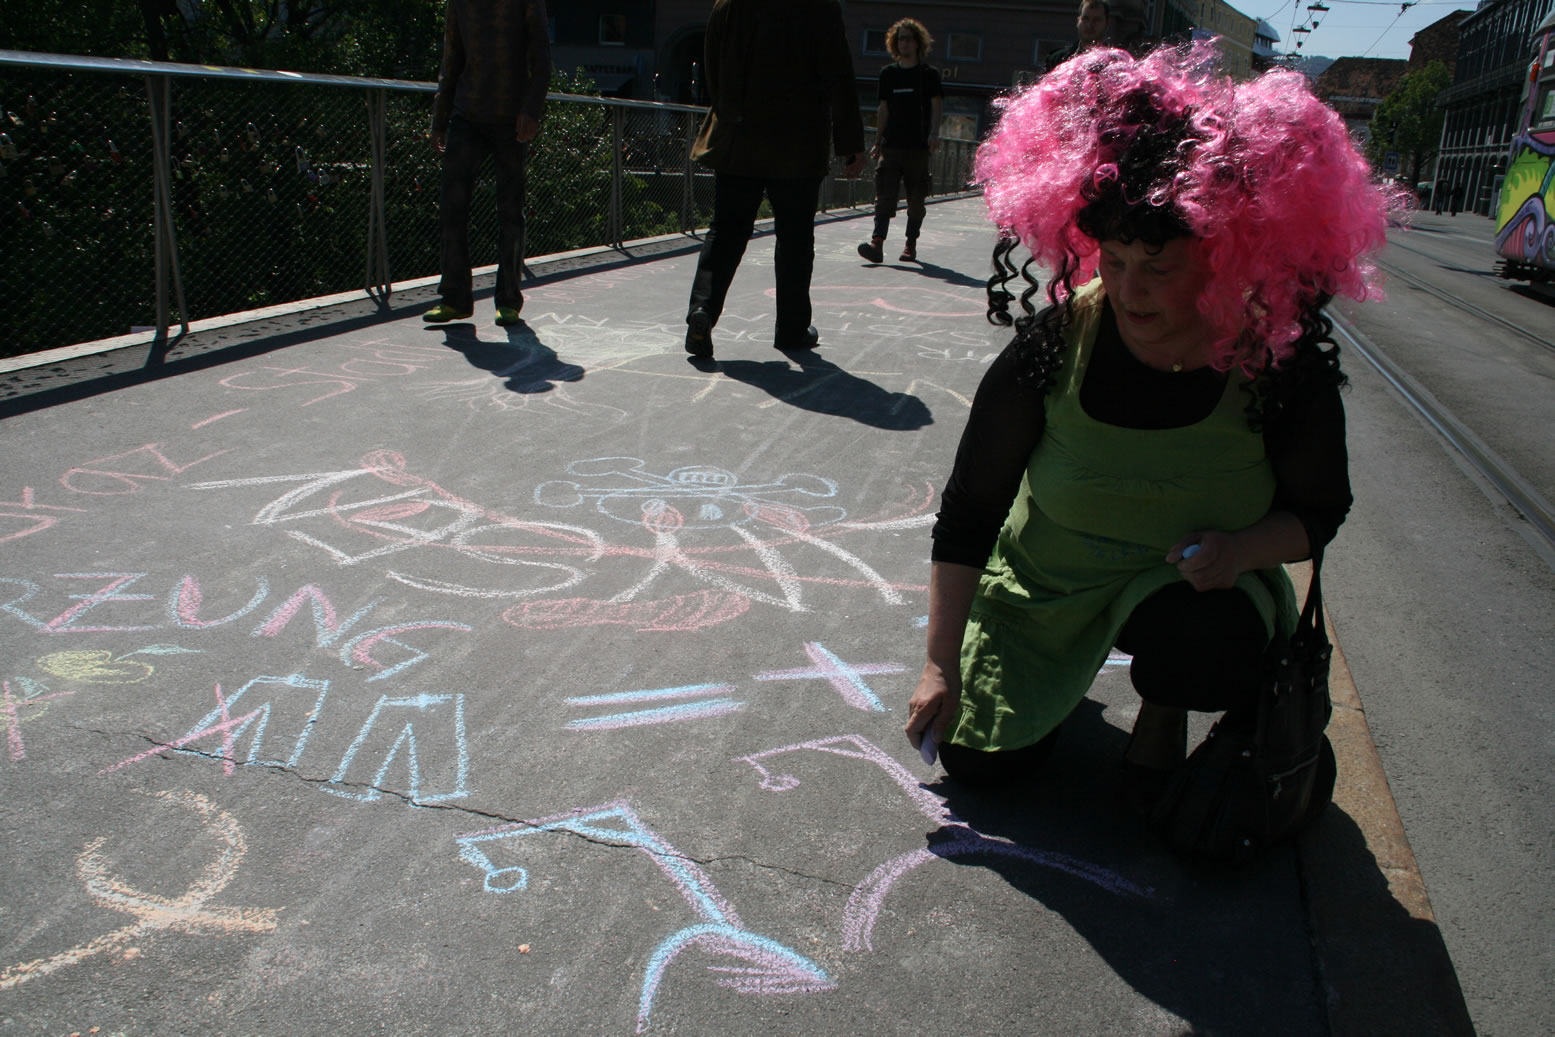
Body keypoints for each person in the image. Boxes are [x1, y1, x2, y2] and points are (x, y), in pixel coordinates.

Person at [904, 44, 1404, 813]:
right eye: (1114, 259)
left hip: (1190, 597)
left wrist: (1241, 551)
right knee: (977, 768)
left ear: (1223, 256)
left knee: (1207, 648)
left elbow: (1319, 511)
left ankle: (1165, 705)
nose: (1129, 290)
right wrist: (939, 663)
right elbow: (970, 510)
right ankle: (1055, 671)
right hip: (1048, 584)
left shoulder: (1272, 358)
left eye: (1159, 268)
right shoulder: (1053, 342)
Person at [683, 0, 867, 359]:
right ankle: (792, 329)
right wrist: (850, 144)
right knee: (795, 241)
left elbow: (713, 61)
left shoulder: (731, 3)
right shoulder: (820, 7)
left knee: (726, 232)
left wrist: (729, 111)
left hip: (739, 139)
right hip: (797, 144)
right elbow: (839, 74)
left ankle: (702, 311)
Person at [423, 0, 551, 327]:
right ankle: (455, 297)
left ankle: (508, 300)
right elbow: (451, 59)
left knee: (510, 210)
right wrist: (440, 120)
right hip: (466, 114)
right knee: (452, 206)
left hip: (511, 117)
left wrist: (531, 110)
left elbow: (541, 57)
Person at [857, 19, 944, 265]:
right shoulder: (888, 74)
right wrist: (877, 140)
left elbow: (937, 105)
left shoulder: (928, 75)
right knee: (884, 194)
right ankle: (877, 243)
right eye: (900, 39)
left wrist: (934, 133)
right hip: (891, 145)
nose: (904, 43)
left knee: (916, 200)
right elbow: (883, 108)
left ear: (918, 43)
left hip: (918, 147)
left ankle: (910, 243)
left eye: (908, 38)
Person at [1043, 0, 1110, 73]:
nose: (1089, 25)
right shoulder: (1056, 60)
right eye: (1085, 19)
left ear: (1107, 23)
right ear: (1078, 21)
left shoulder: (1115, 62)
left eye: (1096, 20)